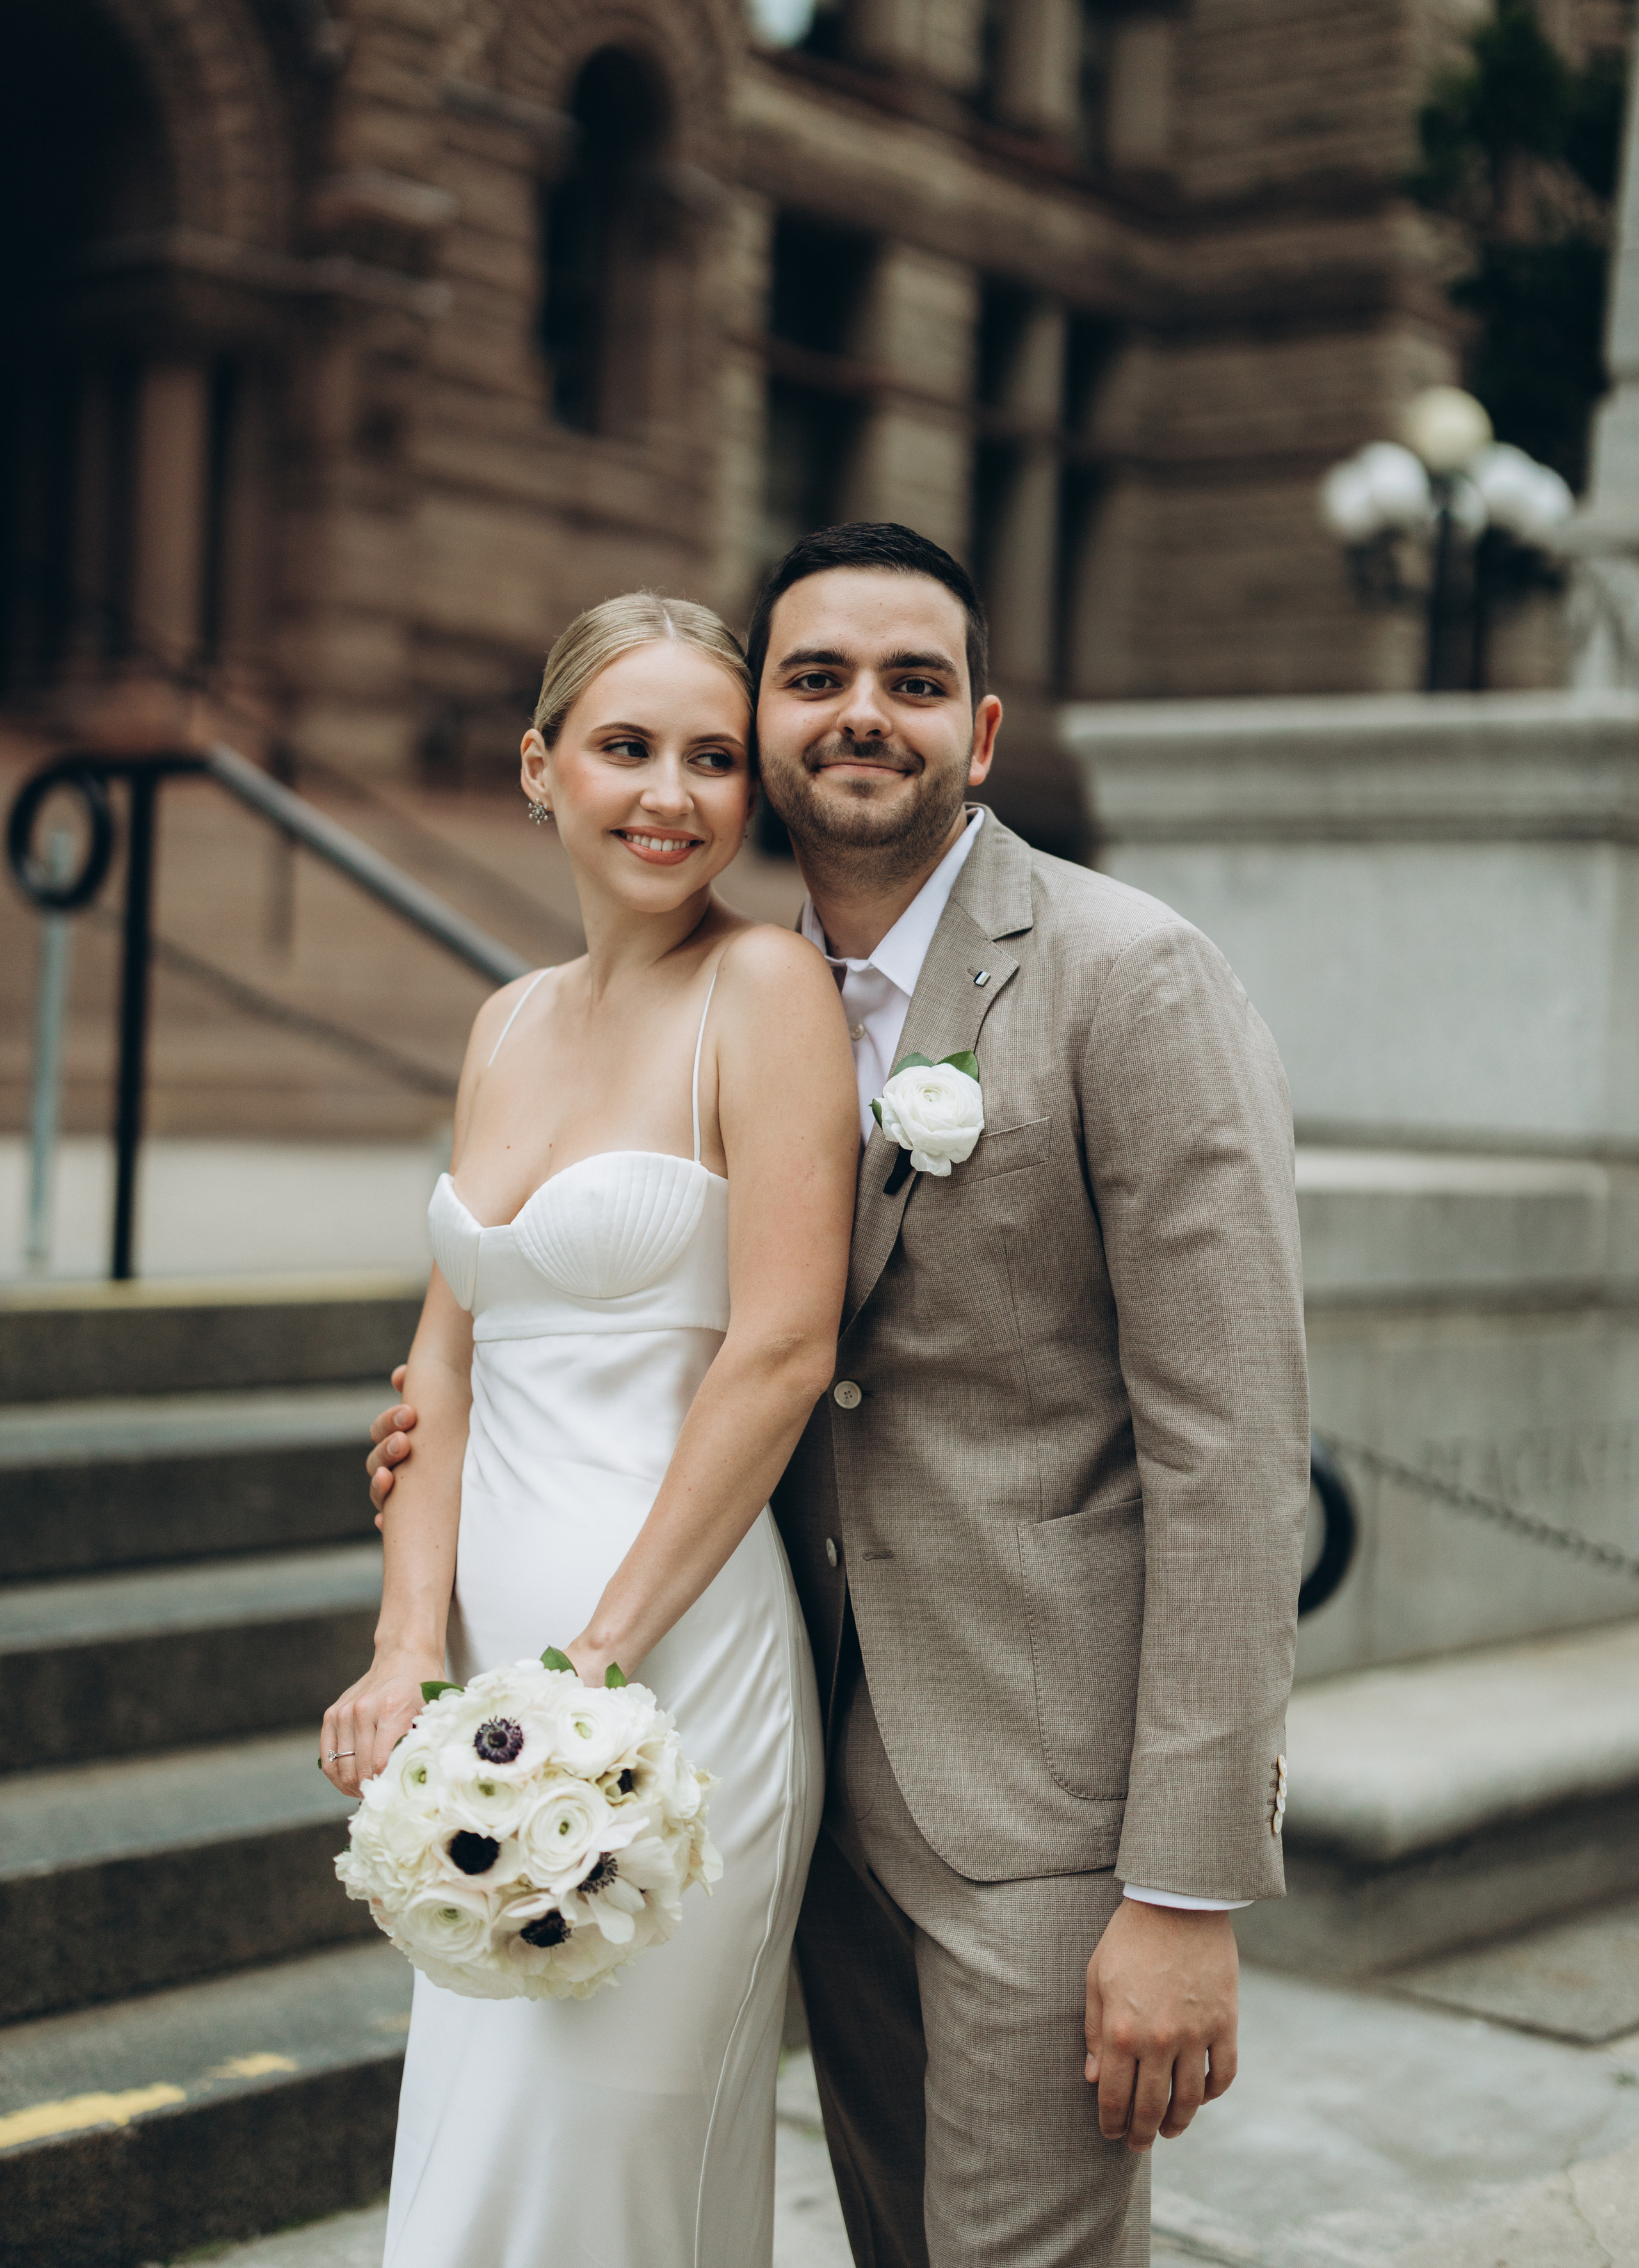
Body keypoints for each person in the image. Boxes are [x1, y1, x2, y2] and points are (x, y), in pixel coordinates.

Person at [367, 523, 1312, 2268]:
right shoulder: (756, 979)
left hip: (1038, 1794)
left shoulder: (1129, 974)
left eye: (913, 681)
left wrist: (1182, 1888)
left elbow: (1236, 1457)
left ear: (985, 729)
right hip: (794, 1748)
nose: (860, 714)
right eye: (814, 679)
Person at [322, 590, 859, 2268]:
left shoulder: (762, 988)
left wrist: (588, 1670)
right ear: (541, 766)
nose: (672, 794)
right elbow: (443, 1371)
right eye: (627, 747)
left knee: (604, 2176)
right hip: (494, 1691)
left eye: (714, 759)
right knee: (481, 2156)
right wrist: (411, 1651)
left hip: (669, 1681)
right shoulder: (504, 1021)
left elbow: (778, 1351)